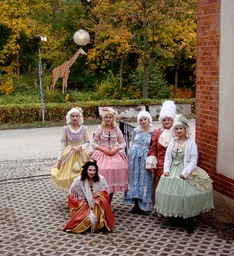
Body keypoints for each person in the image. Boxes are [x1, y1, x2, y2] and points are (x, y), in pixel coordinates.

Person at [154, 114, 214, 234]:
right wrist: (166, 170)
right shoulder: (172, 142)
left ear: (186, 129)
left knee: (186, 195)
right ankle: (176, 218)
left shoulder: (191, 143)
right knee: (171, 194)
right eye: (176, 128)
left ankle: (189, 221)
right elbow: (167, 157)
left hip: (186, 170)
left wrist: (185, 173)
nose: (178, 131)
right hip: (172, 169)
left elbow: (193, 160)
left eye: (181, 128)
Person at [63, 160, 115, 233]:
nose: (92, 172)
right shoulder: (78, 180)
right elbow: (72, 195)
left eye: (94, 170)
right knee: (85, 214)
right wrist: (83, 202)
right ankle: (87, 224)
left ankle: (100, 224)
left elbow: (106, 192)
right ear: (86, 170)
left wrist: (95, 195)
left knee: (99, 202)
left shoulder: (101, 179)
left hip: (96, 202)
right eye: (90, 170)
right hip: (82, 203)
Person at [91, 107, 128, 202]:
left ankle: (109, 200)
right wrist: (102, 148)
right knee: (101, 169)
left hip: (114, 153)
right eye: (106, 117)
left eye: (110, 117)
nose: (108, 119)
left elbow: (123, 143)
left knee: (119, 168)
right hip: (102, 153)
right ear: (104, 118)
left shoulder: (116, 129)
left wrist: (116, 148)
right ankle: (99, 198)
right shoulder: (100, 128)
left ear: (113, 118)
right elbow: (94, 143)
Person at [51, 107, 90, 192]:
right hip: (69, 154)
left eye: (77, 116)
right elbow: (63, 144)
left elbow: (87, 142)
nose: (75, 118)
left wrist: (81, 147)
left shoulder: (84, 128)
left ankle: (81, 197)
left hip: (81, 154)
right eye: (73, 116)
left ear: (80, 117)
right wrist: (59, 159)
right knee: (69, 176)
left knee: (82, 175)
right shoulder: (66, 129)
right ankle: (72, 197)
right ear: (70, 117)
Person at [146, 100, 177, 203]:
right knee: (159, 186)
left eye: (168, 119)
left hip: (174, 164)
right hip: (160, 164)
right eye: (164, 120)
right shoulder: (157, 132)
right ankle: (158, 206)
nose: (166, 122)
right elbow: (153, 149)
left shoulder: (177, 132)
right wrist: (152, 160)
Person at [124, 110, 154, 214]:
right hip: (134, 158)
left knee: (144, 179)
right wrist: (129, 155)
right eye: (141, 120)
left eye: (145, 119)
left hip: (145, 157)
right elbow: (132, 142)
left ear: (148, 120)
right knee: (134, 179)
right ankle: (135, 204)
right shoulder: (136, 130)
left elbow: (153, 146)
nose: (143, 121)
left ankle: (144, 205)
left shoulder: (152, 132)